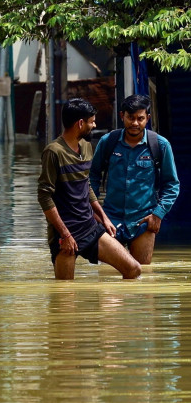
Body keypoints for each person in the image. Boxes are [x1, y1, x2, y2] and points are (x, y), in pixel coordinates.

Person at [38, 98, 142, 280]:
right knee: (64, 296)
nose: (94, 125)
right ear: (80, 123)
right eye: (92, 121)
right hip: (65, 235)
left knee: (133, 269)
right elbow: (44, 197)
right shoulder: (53, 152)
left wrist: (104, 218)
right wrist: (65, 235)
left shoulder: (86, 147)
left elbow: (86, 186)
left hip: (90, 228)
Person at [89, 95, 180, 264]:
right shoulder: (108, 142)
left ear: (148, 118)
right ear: (122, 116)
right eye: (130, 118)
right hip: (110, 220)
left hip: (144, 221)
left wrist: (158, 214)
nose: (135, 123)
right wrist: (93, 211)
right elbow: (92, 177)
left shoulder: (160, 145)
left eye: (140, 118)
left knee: (142, 275)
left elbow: (172, 185)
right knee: (108, 280)